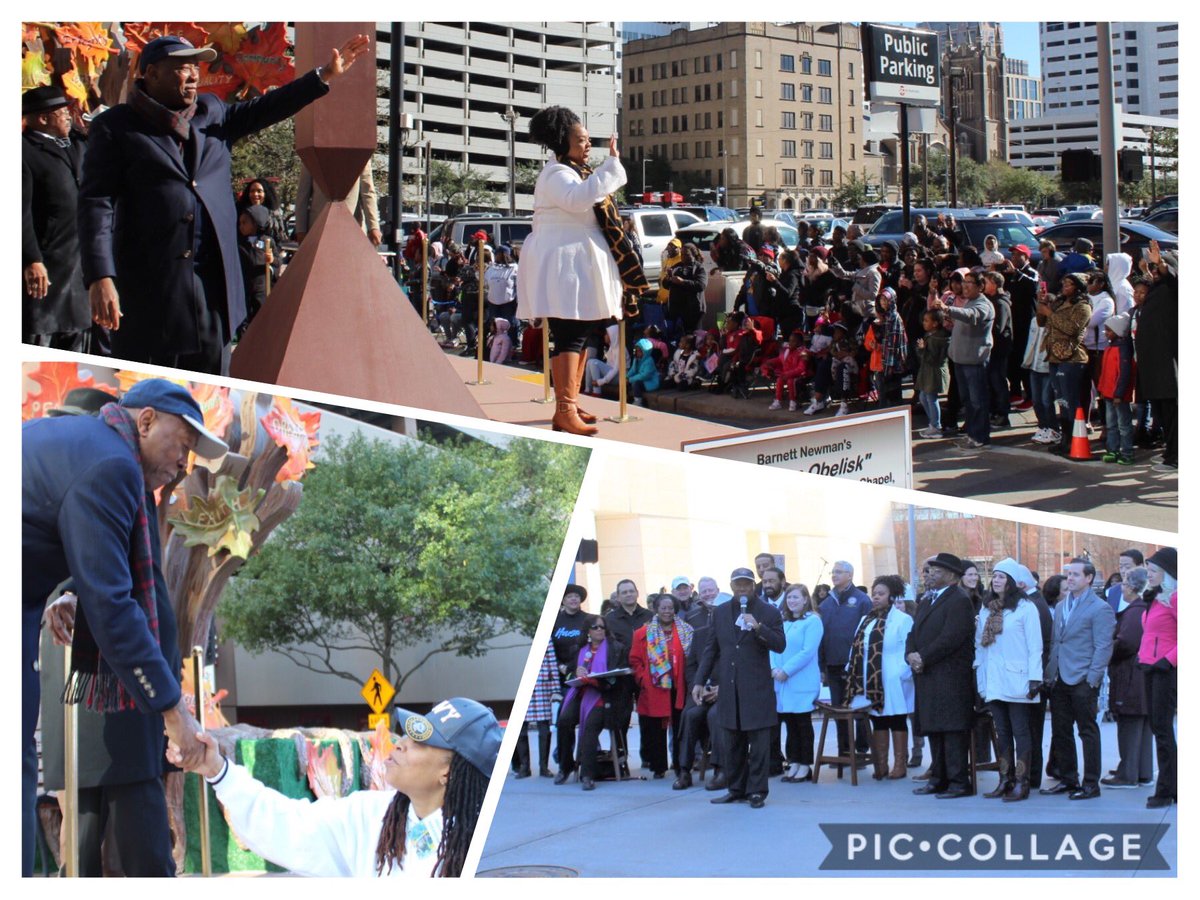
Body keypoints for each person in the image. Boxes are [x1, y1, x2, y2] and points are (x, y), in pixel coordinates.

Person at [22, 378, 227, 875]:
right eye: (183, 444)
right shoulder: (111, 465)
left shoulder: (85, 447)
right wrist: (173, 709)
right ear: (146, 420)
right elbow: (113, 605)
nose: (184, 463)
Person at [79, 33, 369, 374]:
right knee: (148, 390)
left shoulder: (212, 112)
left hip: (212, 287)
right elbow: (96, 203)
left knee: (213, 391)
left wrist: (323, 76)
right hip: (152, 291)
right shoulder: (115, 127)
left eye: (195, 67)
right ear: (152, 73)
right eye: (182, 68)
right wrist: (101, 276)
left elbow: (268, 107)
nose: (193, 76)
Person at [170, 697, 498, 876]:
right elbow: (285, 823)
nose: (400, 743)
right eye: (408, 734)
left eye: (421, 742)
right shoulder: (370, 814)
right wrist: (215, 769)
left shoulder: (477, 848)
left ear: (449, 773)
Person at [517, 106, 646, 435]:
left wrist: (607, 168)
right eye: (581, 139)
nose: (588, 144)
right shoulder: (558, 174)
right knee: (569, 334)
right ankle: (564, 410)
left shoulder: (575, 170)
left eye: (589, 139)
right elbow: (577, 200)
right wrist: (611, 166)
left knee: (585, 331)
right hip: (564, 262)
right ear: (563, 141)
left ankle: (570, 401)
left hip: (576, 261)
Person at [694, 568, 785, 808]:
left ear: (753, 586)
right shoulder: (721, 613)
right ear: (732, 587)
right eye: (738, 585)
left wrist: (759, 628)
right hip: (730, 688)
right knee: (731, 743)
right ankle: (736, 788)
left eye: (746, 585)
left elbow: (779, 645)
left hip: (756, 689)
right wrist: (699, 681)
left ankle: (757, 791)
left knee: (758, 745)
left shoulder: (769, 612)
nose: (742, 589)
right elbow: (711, 649)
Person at [22, 86, 92, 351]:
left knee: (78, 341)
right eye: (61, 112)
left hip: (80, 264)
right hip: (47, 263)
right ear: (43, 119)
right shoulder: (24, 151)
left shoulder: (77, 143)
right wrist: (32, 258)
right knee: (40, 337)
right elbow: (19, 211)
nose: (68, 116)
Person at [1041, 558, 1115, 800]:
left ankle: (1091, 784)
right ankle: (1068, 779)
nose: (1069, 578)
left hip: (1083, 678)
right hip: (1059, 677)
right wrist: (1050, 673)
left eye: (1075, 574)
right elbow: (1057, 641)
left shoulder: (1099, 608)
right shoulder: (1062, 606)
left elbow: (1103, 646)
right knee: (1061, 732)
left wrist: (1092, 678)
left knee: (1087, 731)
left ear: (1089, 578)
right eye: (1068, 574)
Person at [907, 552, 976, 799]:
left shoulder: (959, 600)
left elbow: (951, 638)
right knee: (934, 727)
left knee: (952, 729)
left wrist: (923, 656)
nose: (930, 574)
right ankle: (938, 778)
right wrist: (911, 654)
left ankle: (958, 782)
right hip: (927, 674)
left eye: (936, 571)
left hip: (949, 675)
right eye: (929, 570)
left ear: (952, 576)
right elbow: (913, 632)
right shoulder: (927, 600)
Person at [973, 558, 1044, 802]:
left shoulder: (1025, 608)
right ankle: (1005, 779)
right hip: (994, 679)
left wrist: (1035, 678)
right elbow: (980, 647)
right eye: (994, 576)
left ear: (1013, 581)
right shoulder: (987, 608)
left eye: (1002, 576)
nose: (997, 580)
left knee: (1020, 732)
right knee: (1001, 732)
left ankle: (1022, 782)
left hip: (1018, 679)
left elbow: (1035, 646)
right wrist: (980, 678)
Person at [846, 575, 915, 781]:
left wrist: (903, 672)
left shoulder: (903, 619)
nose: (876, 597)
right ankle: (881, 764)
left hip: (894, 675)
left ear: (892, 596)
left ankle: (900, 764)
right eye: (874, 593)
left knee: (896, 717)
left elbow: (909, 647)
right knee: (878, 717)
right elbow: (856, 646)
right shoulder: (866, 618)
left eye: (881, 594)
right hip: (871, 676)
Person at [555, 616, 632, 790]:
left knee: (590, 725)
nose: (599, 630)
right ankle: (564, 766)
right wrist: (576, 672)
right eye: (595, 627)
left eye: (602, 627)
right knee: (564, 720)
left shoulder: (616, 649)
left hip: (605, 697)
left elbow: (621, 678)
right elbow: (568, 674)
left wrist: (597, 681)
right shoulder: (579, 649)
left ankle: (588, 774)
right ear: (588, 631)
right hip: (580, 694)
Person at [629, 595, 694, 780]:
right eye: (663, 608)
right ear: (656, 609)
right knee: (656, 730)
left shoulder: (687, 630)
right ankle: (658, 767)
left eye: (671, 608)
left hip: (680, 685)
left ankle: (681, 765)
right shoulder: (642, 633)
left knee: (681, 728)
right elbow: (634, 660)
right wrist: (643, 679)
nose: (667, 611)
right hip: (655, 688)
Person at [931, 271, 994, 451]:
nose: (965, 286)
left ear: (980, 286)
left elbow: (972, 315)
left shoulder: (984, 304)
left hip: (974, 361)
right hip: (960, 360)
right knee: (967, 401)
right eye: (964, 282)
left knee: (977, 401)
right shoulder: (968, 301)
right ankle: (972, 434)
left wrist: (948, 309)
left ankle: (980, 437)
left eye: (970, 283)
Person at [1102, 566, 1152, 789]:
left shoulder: (1135, 611)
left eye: (1123, 583)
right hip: (1142, 676)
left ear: (1132, 587)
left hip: (1131, 675)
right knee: (1142, 725)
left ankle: (1127, 774)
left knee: (1130, 725)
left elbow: (1126, 643)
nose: (1121, 588)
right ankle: (1142, 771)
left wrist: (1107, 650)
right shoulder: (1146, 608)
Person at [818, 561, 870, 762]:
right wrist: (821, 665)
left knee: (858, 708)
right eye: (833, 572)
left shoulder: (862, 600)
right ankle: (844, 751)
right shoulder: (826, 603)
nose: (834, 575)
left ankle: (862, 749)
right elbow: (821, 636)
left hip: (855, 665)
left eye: (839, 572)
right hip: (832, 664)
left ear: (850, 575)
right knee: (838, 708)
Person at [1036, 273, 1092, 457]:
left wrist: (1050, 313)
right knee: (1061, 400)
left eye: (1069, 284)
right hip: (1055, 356)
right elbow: (1042, 322)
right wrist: (1042, 306)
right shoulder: (1059, 302)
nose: (1065, 286)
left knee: (1070, 400)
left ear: (1078, 286)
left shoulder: (1083, 306)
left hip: (1072, 357)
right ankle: (1065, 438)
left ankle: (1075, 439)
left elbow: (1072, 328)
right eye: (1064, 283)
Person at [771, 584, 823, 783]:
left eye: (795, 597)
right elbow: (773, 646)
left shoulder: (812, 621)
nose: (791, 601)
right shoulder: (783, 621)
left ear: (805, 599)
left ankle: (805, 764)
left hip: (800, 680)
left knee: (802, 723)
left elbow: (807, 651)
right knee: (790, 723)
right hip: (782, 682)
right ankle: (793, 760)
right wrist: (774, 668)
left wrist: (787, 670)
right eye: (789, 597)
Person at [1139, 547, 1177, 809]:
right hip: (1150, 669)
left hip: (1165, 671)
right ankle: (1172, 786)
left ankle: (1166, 789)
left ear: (1168, 574)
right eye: (1149, 570)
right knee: (1159, 729)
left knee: (1162, 731)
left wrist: (1168, 660)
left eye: (1154, 571)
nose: (1149, 574)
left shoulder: (1175, 598)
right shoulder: (1155, 598)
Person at [295, 160, 382, 246]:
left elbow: (367, 192)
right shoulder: (312, 153)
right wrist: (301, 230)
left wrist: (373, 227)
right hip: (319, 230)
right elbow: (303, 194)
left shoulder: (361, 154)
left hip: (353, 232)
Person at [1098, 314, 1136, 464]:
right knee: (1112, 424)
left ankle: (1127, 452)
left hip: (1118, 396)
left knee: (1123, 425)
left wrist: (1119, 394)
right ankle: (1113, 450)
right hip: (1109, 394)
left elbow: (1124, 374)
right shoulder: (1111, 347)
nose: (1106, 333)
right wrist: (1102, 389)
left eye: (1109, 330)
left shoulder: (1123, 350)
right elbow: (1105, 372)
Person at [914, 308, 950, 438]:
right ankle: (933, 423)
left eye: (926, 320)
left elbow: (933, 359)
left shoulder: (936, 339)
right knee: (924, 397)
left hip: (933, 373)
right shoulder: (931, 335)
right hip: (929, 372)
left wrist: (922, 350)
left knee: (930, 398)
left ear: (935, 323)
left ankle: (936, 426)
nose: (924, 323)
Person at [236, 176, 289, 250]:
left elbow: (279, 239)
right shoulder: (240, 212)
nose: (255, 194)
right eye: (252, 191)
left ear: (266, 194)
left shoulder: (274, 214)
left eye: (259, 191)